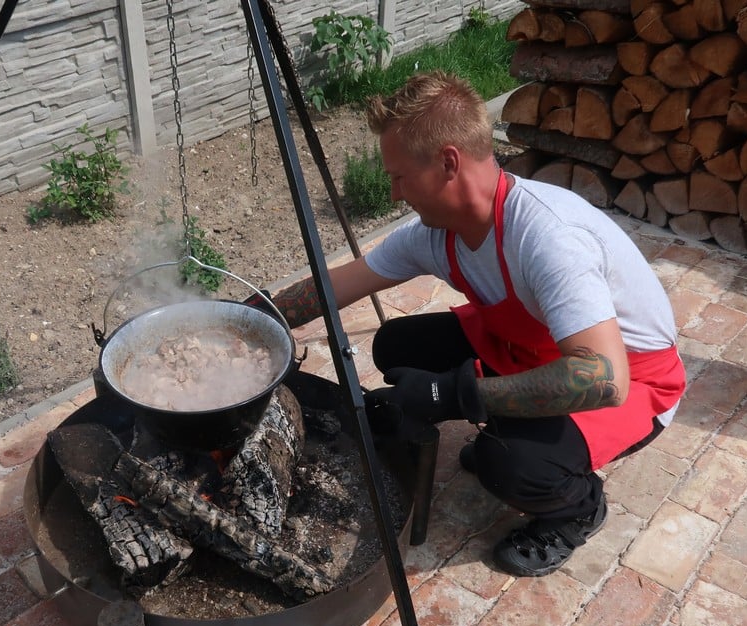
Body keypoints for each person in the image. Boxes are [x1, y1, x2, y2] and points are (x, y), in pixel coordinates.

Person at [268, 71, 686, 577]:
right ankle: (511, 420)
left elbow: (602, 378)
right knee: (397, 345)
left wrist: (449, 395)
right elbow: (337, 285)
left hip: (633, 379)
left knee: (508, 465)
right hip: (531, 346)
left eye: (400, 176)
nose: (396, 193)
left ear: (448, 162)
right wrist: (250, 316)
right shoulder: (433, 232)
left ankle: (578, 509)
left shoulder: (548, 238)